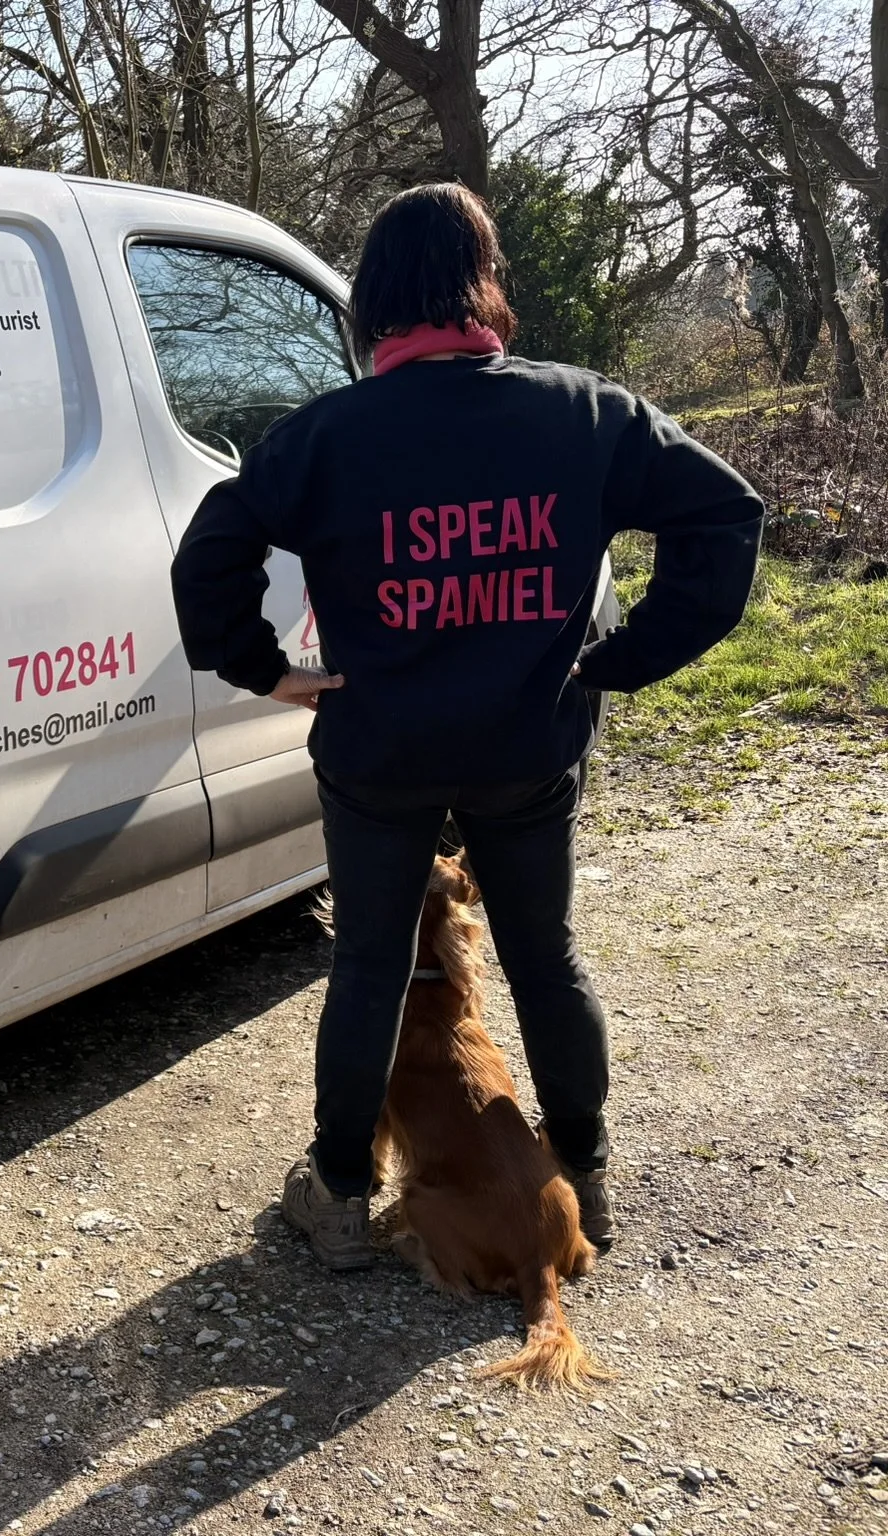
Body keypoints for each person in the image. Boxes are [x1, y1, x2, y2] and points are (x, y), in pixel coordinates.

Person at [170, 183, 762, 1270]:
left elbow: (207, 560)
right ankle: (579, 1174)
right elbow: (723, 519)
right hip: (524, 747)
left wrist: (270, 672)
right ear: (481, 285)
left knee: (368, 969)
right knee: (546, 962)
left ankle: (340, 1197)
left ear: (373, 304)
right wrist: (621, 661)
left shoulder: (321, 436)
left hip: (375, 750)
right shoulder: (583, 412)